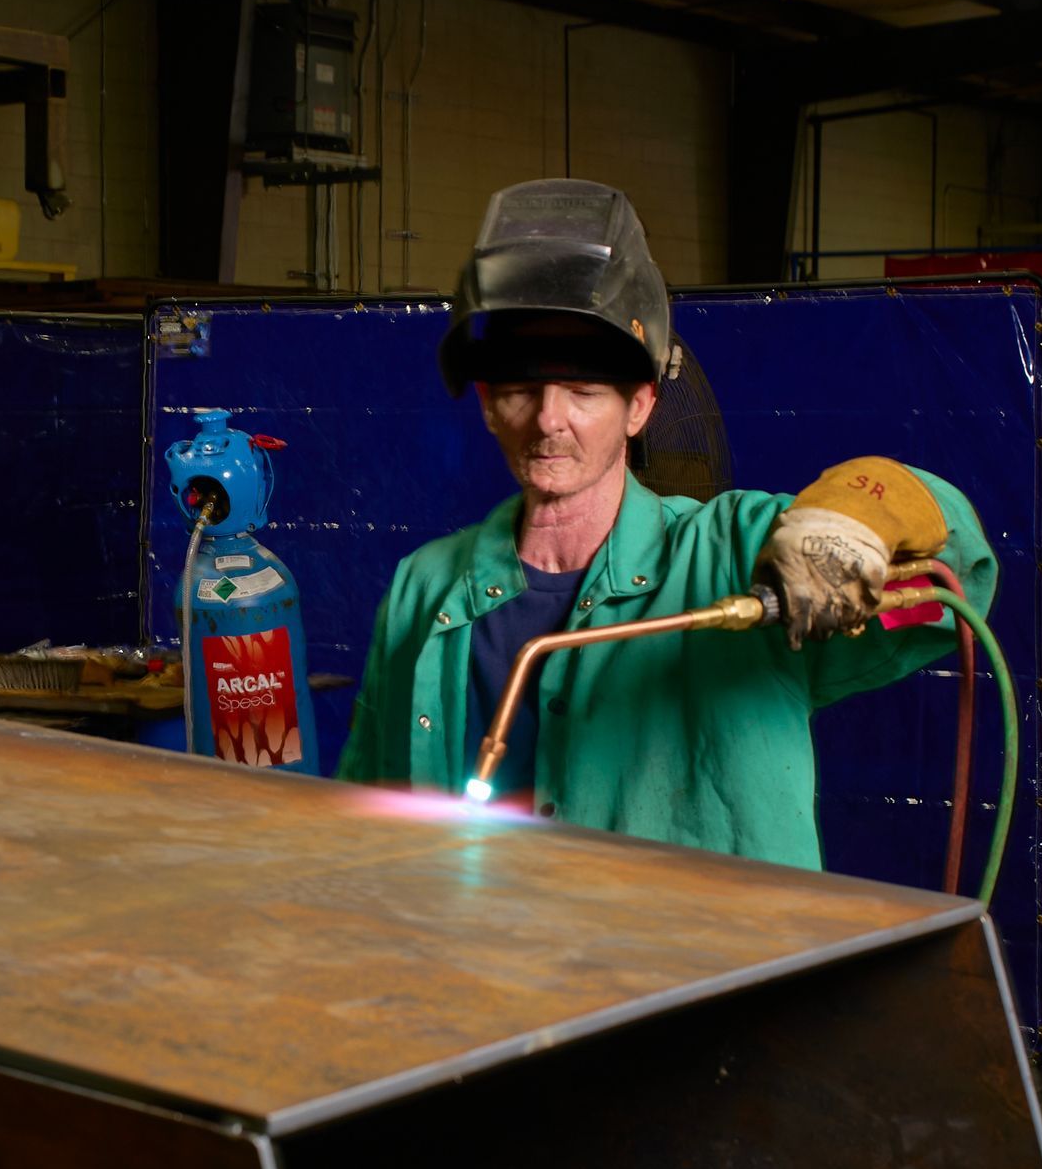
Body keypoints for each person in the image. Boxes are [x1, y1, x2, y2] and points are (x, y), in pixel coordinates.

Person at [334, 179, 996, 871]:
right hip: (487, 964)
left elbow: (964, 570)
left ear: (642, 406)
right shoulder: (425, 585)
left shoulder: (738, 555)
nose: (548, 420)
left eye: (584, 392)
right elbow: (370, 802)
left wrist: (854, 518)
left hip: (715, 973)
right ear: (487, 405)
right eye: (520, 390)